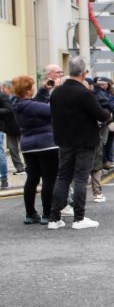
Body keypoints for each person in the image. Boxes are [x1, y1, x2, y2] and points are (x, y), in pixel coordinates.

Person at [47, 57, 108, 230]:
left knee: (63, 177)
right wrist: (108, 114)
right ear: (83, 73)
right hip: (84, 140)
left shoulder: (57, 92)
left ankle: (54, 218)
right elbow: (101, 114)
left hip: (64, 140)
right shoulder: (83, 93)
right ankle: (79, 218)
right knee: (81, 178)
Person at [10, 76, 57, 223]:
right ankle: (47, 214)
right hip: (46, 144)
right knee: (49, 179)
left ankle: (30, 214)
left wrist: (44, 89)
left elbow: (36, 104)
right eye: (32, 86)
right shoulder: (29, 106)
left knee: (32, 179)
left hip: (28, 146)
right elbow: (51, 110)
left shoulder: (18, 104)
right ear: (28, 90)